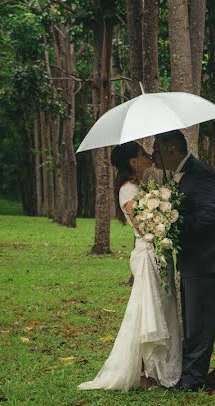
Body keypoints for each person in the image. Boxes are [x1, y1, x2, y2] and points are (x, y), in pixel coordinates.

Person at [78, 142, 182, 391]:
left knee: (162, 306)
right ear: (133, 162)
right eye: (143, 154)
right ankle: (146, 371)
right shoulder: (128, 190)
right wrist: (162, 221)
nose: (148, 157)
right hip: (147, 255)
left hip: (159, 253)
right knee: (149, 309)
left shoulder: (141, 187)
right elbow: (142, 226)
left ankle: (158, 368)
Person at [151, 130, 215, 391]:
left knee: (200, 323)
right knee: (191, 321)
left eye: (157, 150)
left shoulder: (202, 174)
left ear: (172, 150)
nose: (154, 155)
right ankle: (188, 374)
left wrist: (174, 225)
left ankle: (193, 379)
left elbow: (212, 212)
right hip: (194, 262)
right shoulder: (179, 175)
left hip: (209, 261)